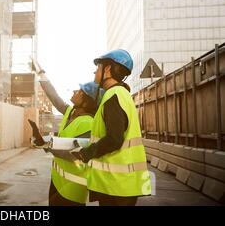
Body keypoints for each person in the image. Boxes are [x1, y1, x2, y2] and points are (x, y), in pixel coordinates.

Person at [70, 49, 152, 206]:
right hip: (121, 184)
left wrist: (87, 152)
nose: (95, 71)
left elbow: (114, 139)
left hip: (116, 185)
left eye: (98, 67)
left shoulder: (113, 96)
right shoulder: (121, 94)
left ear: (107, 69)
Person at [30, 60, 104, 206]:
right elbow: (54, 96)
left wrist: (45, 143)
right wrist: (41, 73)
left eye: (79, 91)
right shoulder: (70, 112)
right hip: (57, 181)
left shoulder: (88, 123)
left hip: (73, 188)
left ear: (86, 101)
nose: (74, 92)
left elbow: (73, 153)